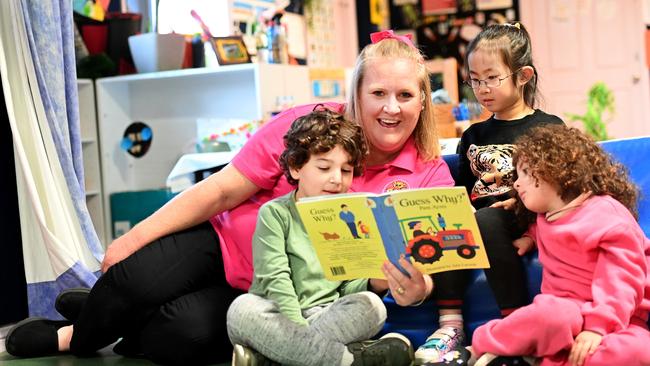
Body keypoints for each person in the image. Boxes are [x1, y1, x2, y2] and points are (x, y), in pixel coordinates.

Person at [5, 29, 450, 365]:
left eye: (405, 95)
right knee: (131, 278)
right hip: (219, 246)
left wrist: (414, 290)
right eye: (378, 93)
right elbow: (219, 189)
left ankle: (122, 315)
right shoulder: (310, 125)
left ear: (422, 101)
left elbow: (422, 269)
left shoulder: (429, 173)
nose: (391, 107)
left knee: (183, 338)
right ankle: (75, 333)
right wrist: (132, 239)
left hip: (280, 293)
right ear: (357, 92)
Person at [414, 22, 564, 365]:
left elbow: (558, 189)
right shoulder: (473, 134)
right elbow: (464, 190)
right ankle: (450, 325)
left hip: (520, 211)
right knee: (451, 219)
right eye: (475, 79)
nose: (482, 88)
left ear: (523, 75)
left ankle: (515, 322)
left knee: (486, 219)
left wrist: (529, 224)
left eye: (491, 78)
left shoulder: (547, 127)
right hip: (477, 217)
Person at [227, 109, 414, 366]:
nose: (336, 179)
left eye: (346, 170)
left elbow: (348, 285)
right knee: (241, 310)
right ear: (295, 167)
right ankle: (349, 360)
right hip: (276, 313)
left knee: (373, 305)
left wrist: (375, 282)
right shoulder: (275, 213)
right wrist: (296, 332)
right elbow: (275, 280)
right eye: (324, 167)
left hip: (327, 314)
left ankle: (273, 358)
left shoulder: (348, 217)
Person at [469, 124, 650, 366]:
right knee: (549, 316)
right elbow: (549, 226)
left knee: (638, 350)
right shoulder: (546, 215)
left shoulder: (608, 216)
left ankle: (549, 358)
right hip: (565, 311)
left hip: (617, 317)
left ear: (555, 171)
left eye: (524, 173)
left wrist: (598, 327)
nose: (517, 184)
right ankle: (479, 346)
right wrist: (531, 238)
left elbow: (622, 279)